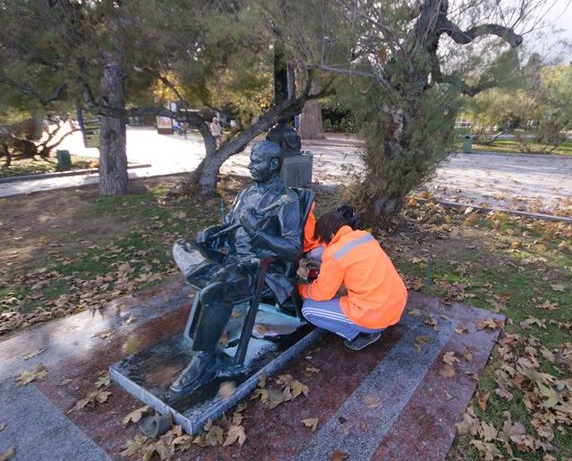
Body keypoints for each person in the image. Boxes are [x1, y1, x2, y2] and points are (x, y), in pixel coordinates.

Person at [169, 141, 305, 393]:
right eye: (251, 160)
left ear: (274, 164)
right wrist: (214, 233)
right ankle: (214, 279)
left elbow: (294, 249)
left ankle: (205, 359)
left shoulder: (286, 200)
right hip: (230, 263)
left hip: (258, 270)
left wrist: (258, 233)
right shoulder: (246, 193)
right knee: (181, 246)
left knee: (224, 282)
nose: (251, 166)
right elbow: (230, 228)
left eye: (257, 162)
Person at [298, 211, 408, 350]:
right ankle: (370, 326)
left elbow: (322, 293)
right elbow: (356, 267)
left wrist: (300, 289)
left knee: (308, 309)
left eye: (323, 240)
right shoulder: (364, 236)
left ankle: (359, 335)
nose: (324, 244)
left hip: (374, 314)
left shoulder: (334, 253)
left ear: (331, 235)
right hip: (396, 304)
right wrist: (325, 268)